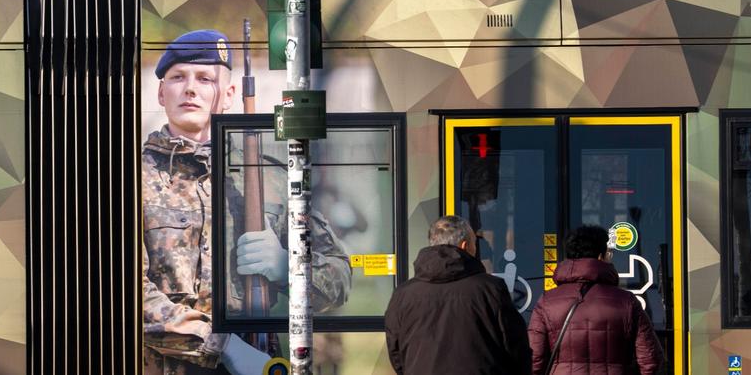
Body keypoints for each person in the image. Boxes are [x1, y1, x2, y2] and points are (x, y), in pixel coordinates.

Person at [142, 29, 351, 375]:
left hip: (259, 362)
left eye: (205, 78)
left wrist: (286, 267)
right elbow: (121, 290)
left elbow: (339, 277)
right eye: (178, 77)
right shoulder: (133, 178)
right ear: (161, 93)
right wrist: (223, 346)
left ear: (229, 95)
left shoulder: (269, 178)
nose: (190, 88)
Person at [384, 215, 532, 375]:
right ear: (465, 246)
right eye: (474, 243)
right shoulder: (491, 289)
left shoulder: (403, 294)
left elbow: (396, 351)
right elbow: (516, 346)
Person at [528, 226, 664, 375]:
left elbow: (534, 360)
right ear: (600, 257)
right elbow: (650, 360)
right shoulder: (627, 302)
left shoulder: (547, 302)